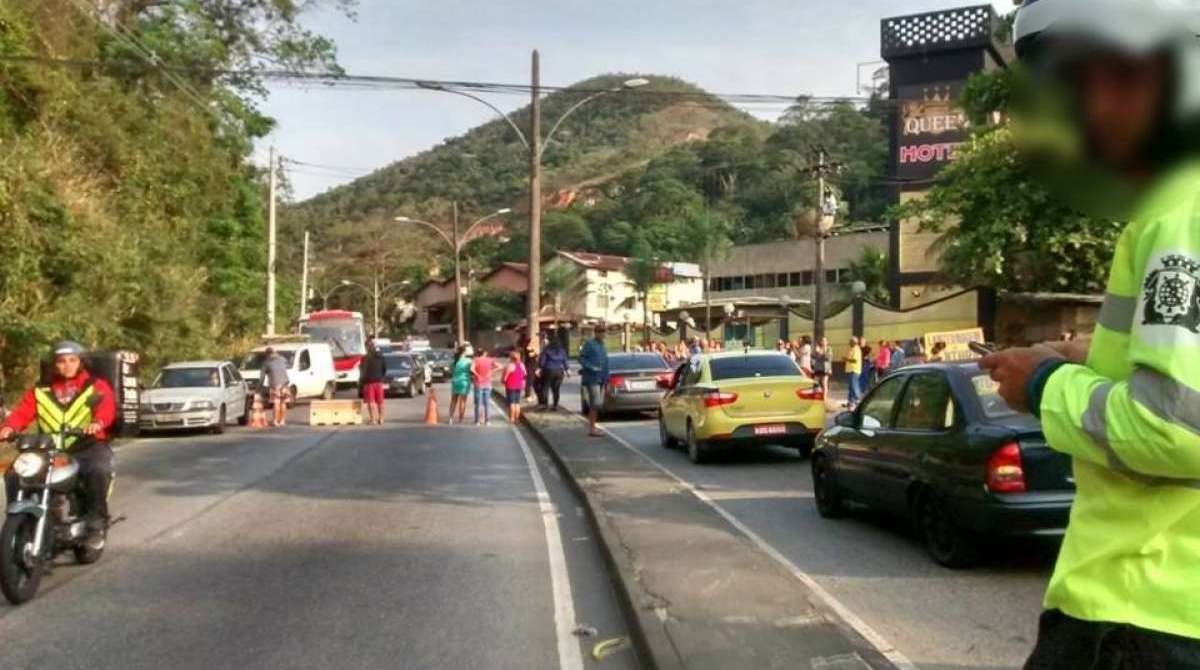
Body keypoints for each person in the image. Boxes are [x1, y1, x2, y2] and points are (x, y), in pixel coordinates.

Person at [983, 2, 1200, 665]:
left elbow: (1177, 427)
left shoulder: (1177, 211)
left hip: (1141, 610)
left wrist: (1043, 383)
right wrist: (1089, 355)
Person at [0, 341, 115, 550]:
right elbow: (21, 413)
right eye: (61, 361)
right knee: (15, 473)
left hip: (87, 446)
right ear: (54, 364)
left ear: (81, 362)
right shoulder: (41, 390)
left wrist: (97, 423)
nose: (67, 365)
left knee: (99, 470)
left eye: (72, 360)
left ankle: (96, 523)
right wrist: (8, 427)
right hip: (50, 449)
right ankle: (21, 521)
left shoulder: (95, 386)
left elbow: (107, 409)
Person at [579, 325, 610, 437]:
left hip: (601, 378)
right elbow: (581, 358)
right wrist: (591, 367)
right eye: (600, 332)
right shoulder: (589, 344)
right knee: (595, 403)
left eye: (604, 332)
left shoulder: (603, 346)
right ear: (595, 333)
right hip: (592, 378)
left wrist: (606, 379)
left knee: (597, 404)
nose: (602, 334)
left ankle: (593, 427)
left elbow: (606, 363)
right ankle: (592, 428)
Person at [360, 336, 388, 426]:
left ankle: (373, 419)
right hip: (379, 381)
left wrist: (362, 381)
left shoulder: (365, 358)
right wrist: (381, 377)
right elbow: (384, 368)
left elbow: (363, 370)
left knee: (371, 402)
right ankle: (381, 419)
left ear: (367, 347)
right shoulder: (381, 356)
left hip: (369, 382)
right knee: (380, 401)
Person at [538, 337, 569, 411]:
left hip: (548, 370)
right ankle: (555, 405)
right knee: (556, 389)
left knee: (545, 387)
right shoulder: (562, 351)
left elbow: (542, 361)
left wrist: (540, 368)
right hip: (559, 371)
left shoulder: (546, 350)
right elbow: (565, 361)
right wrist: (567, 369)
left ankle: (545, 405)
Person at [262, 346, 290, 427]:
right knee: (283, 402)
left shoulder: (267, 362)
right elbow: (286, 364)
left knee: (276, 403)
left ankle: (275, 421)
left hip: (275, 385)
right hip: (285, 383)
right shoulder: (282, 359)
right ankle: (282, 420)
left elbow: (263, 374)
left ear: (267, 354)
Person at [470, 347, 495, 426]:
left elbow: (471, 369)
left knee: (478, 403)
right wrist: (491, 371)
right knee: (487, 403)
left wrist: (477, 375)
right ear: (485, 353)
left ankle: (477, 421)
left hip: (478, 383)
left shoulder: (476, 360)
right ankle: (487, 421)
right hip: (487, 383)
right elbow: (500, 366)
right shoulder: (490, 360)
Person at [449, 345, 473, 424]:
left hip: (455, 381)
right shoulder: (468, 361)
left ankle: (451, 418)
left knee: (453, 401)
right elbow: (471, 370)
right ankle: (461, 419)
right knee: (463, 401)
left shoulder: (455, 361)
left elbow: (451, 371)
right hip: (464, 381)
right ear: (464, 352)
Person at [502, 350, 527, 423]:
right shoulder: (522, 365)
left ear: (511, 358)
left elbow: (505, 378)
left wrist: (503, 381)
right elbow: (525, 374)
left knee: (511, 403)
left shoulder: (510, 366)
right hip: (519, 385)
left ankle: (512, 418)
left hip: (510, 386)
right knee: (517, 402)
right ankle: (517, 418)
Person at [844, 337, 862, 409]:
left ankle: (858, 400)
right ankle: (850, 402)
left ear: (854, 342)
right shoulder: (852, 349)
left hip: (854, 370)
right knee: (851, 387)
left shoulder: (856, 349)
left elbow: (854, 360)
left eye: (850, 341)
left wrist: (846, 359)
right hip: (850, 370)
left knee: (854, 386)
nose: (849, 343)